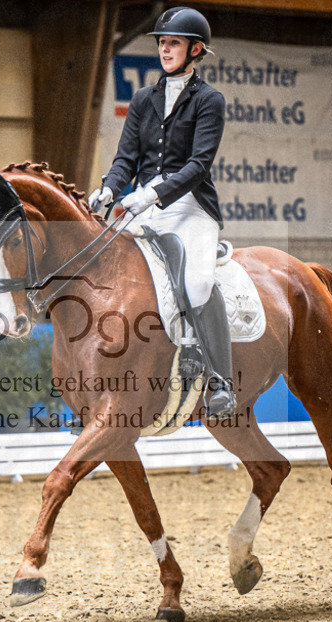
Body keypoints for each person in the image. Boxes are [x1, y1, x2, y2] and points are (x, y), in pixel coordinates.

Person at [88, 6, 234, 419]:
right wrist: (109, 189)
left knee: (199, 281)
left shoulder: (209, 101)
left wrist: (149, 195)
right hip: (141, 206)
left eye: (173, 43)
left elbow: (197, 165)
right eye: (162, 43)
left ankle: (220, 380)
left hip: (190, 207)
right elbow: (125, 158)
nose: (165, 49)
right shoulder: (142, 99)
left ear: (195, 49)